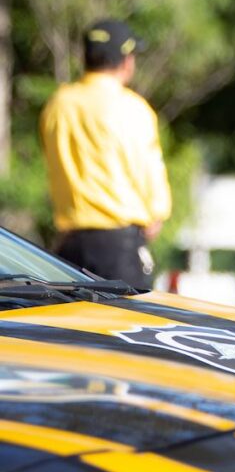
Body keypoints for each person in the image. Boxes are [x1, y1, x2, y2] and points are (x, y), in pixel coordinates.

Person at [40, 19, 172, 289]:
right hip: (118, 249)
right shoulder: (133, 109)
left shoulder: (57, 105)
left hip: (67, 249)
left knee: (74, 329)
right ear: (126, 61)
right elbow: (154, 196)